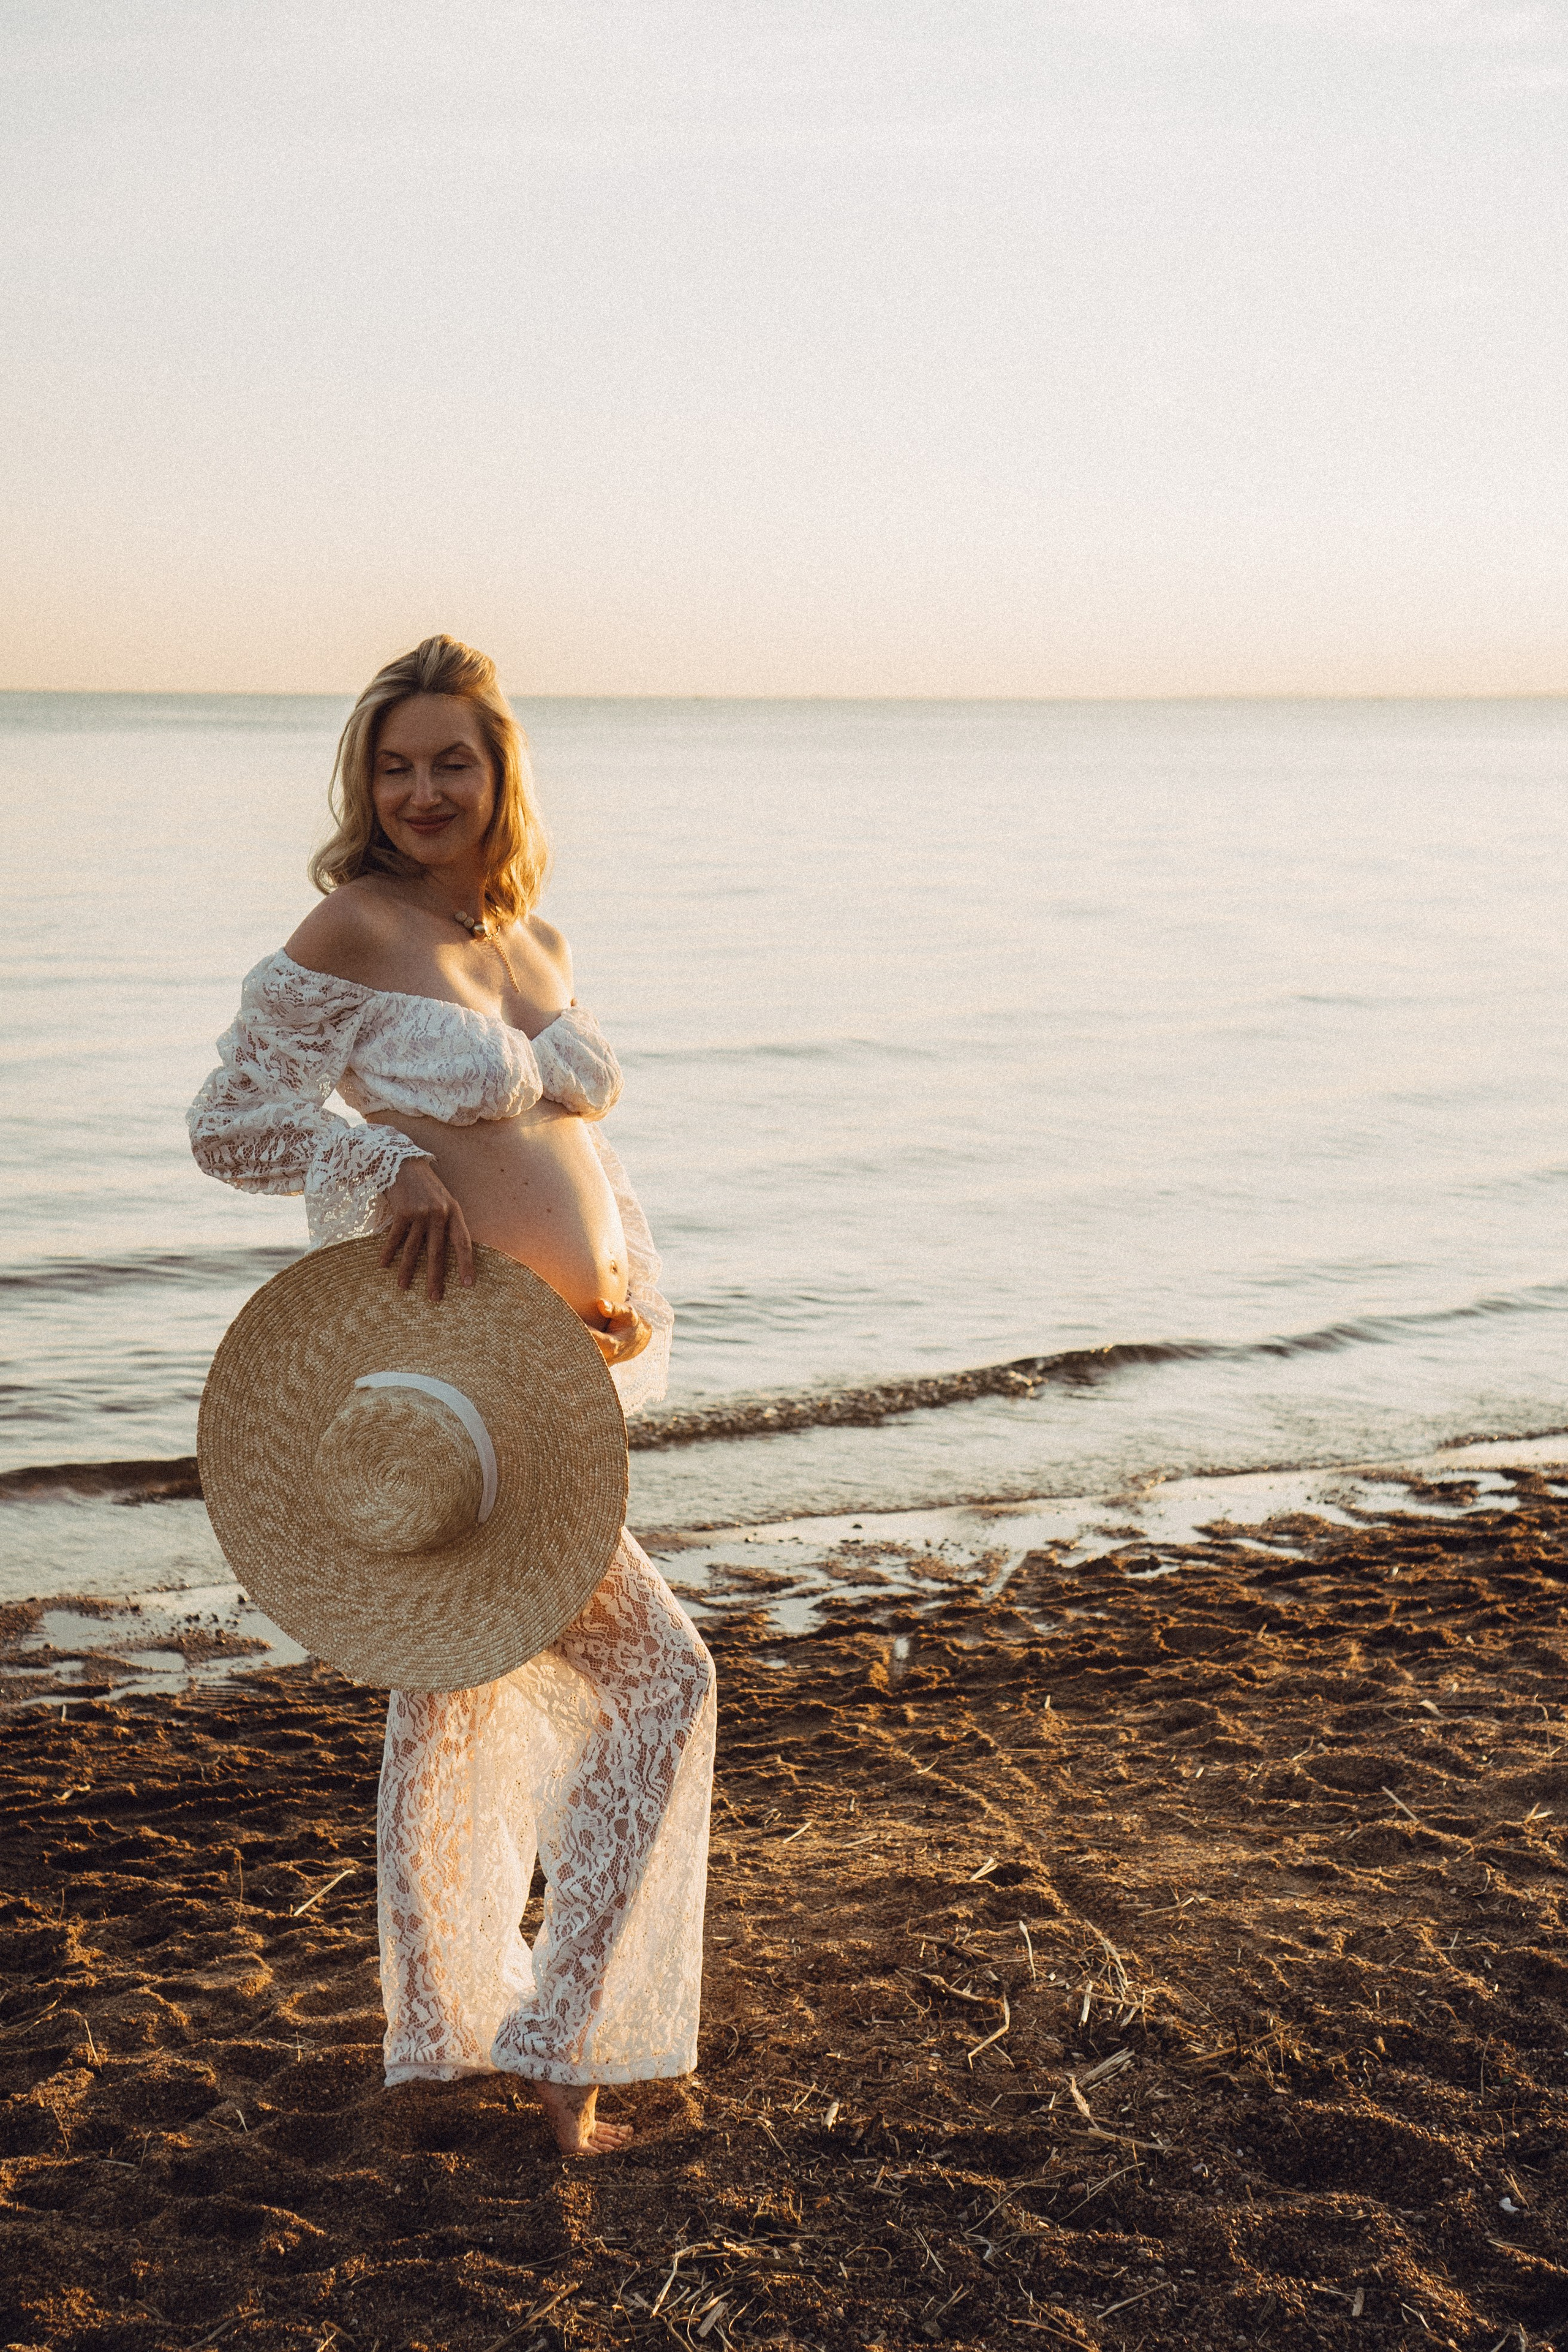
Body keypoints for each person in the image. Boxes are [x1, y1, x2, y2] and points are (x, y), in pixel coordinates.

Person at [188, 635, 714, 2155]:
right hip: (443, 1378)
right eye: (395, 764)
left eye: (451, 761)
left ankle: (439, 2047)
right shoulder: (351, 928)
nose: (421, 789)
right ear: (367, 783)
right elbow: (231, 1122)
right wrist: (379, 1159)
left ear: (500, 775)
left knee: (457, 1696)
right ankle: (563, 2051)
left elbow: (577, 1155)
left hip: (547, 1376)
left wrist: (622, 1298)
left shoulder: (533, 944)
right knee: (663, 1681)